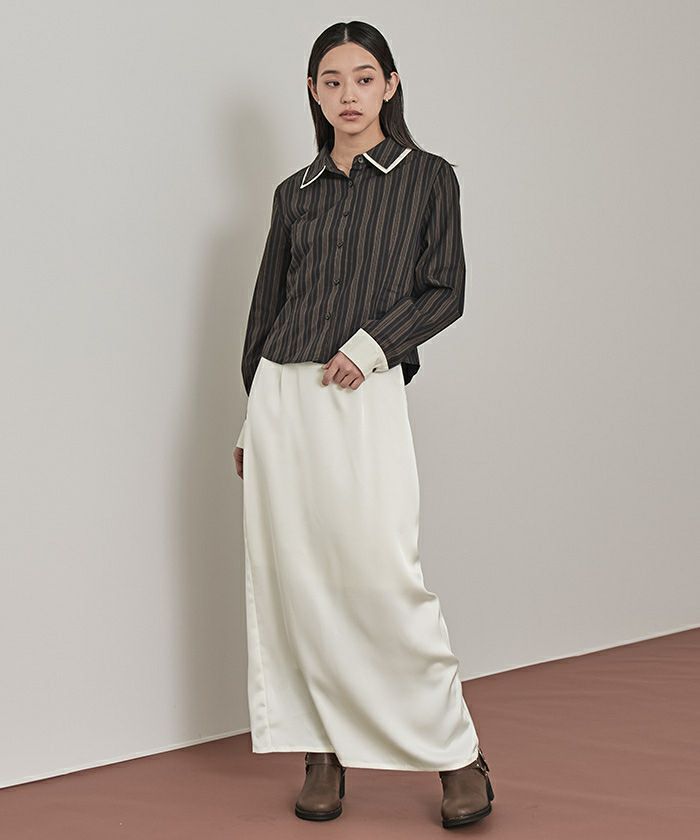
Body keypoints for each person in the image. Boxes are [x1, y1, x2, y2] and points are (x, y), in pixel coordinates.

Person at [232, 20, 494, 829]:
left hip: (362, 391)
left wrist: (373, 346)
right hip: (281, 399)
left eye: (364, 77)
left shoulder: (427, 178)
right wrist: (250, 420)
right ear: (313, 93)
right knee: (297, 580)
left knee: (383, 574)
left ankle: (457, 756)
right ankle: (322, 750)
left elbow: (445, 289)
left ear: (390, 85)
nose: (349, 94)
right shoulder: (294, 194)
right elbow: (267, 311)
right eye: (332, 80)